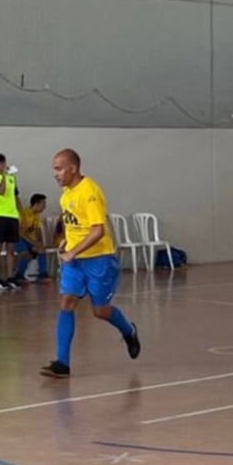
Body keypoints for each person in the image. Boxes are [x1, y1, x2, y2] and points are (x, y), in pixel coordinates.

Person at [40, 149, 141, 379]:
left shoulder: (90, 192)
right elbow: (74, 224)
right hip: (75, 261)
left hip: (99, 259)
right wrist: (67, 241)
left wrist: (73, 251)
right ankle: (62, 363)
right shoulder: (66, 194)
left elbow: (97, 231)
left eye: (59, 169)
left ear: (73, 168)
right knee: (66, 302)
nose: (55, 174)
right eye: (54, 169)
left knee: (100, 311)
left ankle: (128, 331)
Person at [0, 153, 22, 290]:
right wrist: (3, 175)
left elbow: (16, 196)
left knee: (11, 248)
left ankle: (10, 277)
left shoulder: (12, 177)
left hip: (12, 216)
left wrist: (21, 213)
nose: (2, 166)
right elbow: (1, 191)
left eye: (3, 163)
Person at [13, 193, 49, 284]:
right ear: (36, 204)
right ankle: (19, 275)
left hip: (29, 241)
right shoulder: (23, 214)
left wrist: (40, 243)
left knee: (41, 250)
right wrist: (33, 242)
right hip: (18, 239)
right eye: (43, 204)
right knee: (26, 254)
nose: (45, 207)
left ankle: (42, 275)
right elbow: (20, 233)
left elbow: (38, 230)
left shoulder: (36, 216)